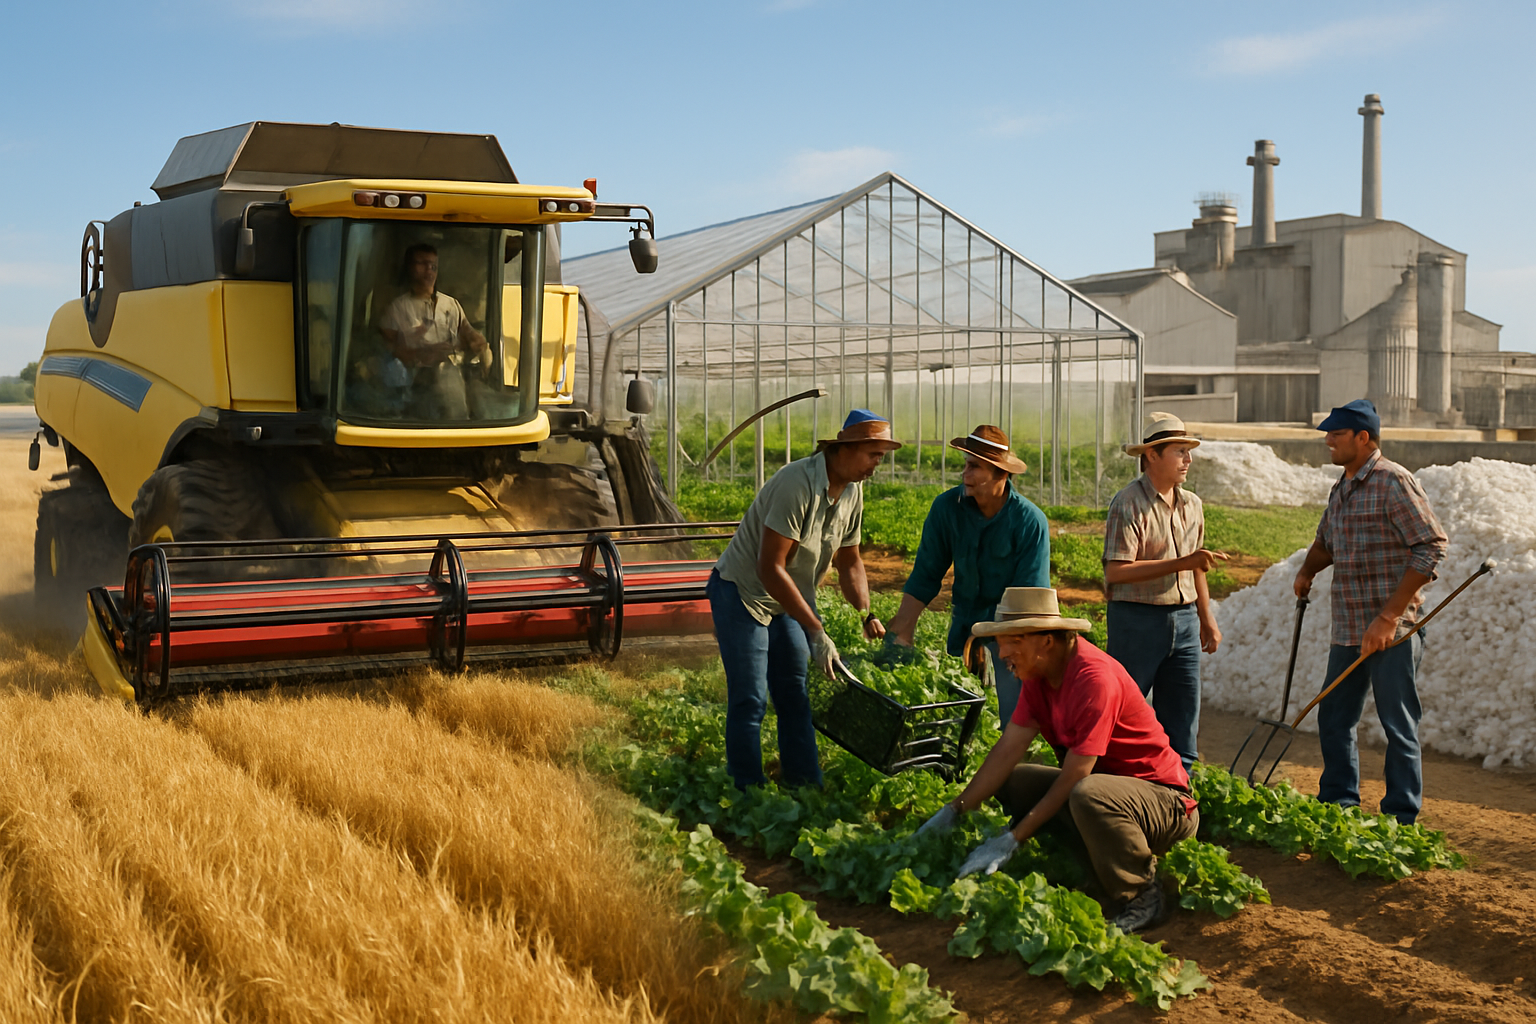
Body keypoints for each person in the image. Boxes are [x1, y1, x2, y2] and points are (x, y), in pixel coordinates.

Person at [913, 587, 1198, 933]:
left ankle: (1141, 893)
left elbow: (1076, 775)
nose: (1002, 653)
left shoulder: (1094, 679)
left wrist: (1014, 838)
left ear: (1046, 641)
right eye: (1000, 642)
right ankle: (1091, 856)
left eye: (1012, 641)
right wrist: (954, 809)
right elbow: (1007, 750)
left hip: (1164, 803)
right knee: (1013, 779)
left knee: (1086, 792)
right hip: (1104, 795)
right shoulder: (1039, 675)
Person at [707, 409, 902, 790]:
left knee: (794, 692)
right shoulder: (797, 484)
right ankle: (747, 791)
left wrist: (865, 612)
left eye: (881, 457)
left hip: (788, 598)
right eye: (873, 455)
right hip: (743, 593)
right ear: (845, 448)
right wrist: (815, 628)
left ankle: (805, 786)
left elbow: (850, 561)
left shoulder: (852, 492)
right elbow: (769, 567)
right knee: (751, 698)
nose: (877, 465)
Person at [1292, 398, 1447, 824]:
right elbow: (1326, 542)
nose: (1328, 441)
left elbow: (1430, 545)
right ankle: (1339, 805)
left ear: (1363, 438)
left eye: (1336, 434)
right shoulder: (1341, 487)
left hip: (1391, 631)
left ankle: (1401, 817)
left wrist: (1389, 616)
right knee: (1334, 718)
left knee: (1398, 726)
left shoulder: (1393, 481)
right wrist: (1307, 570)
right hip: (1347, 627)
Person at [885, 425, 1050, 724]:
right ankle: (960, 764)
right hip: (965, 623)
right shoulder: (946, 508)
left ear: (1001, 474)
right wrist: (903, 628)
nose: (965, 474)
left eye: (974, 467)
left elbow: (1031, 599)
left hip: (1012, 631)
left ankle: (1014, 764)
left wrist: (1002, 644)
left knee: (1014, 715)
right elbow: (926, 572)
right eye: (965, 465)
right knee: (958, 711)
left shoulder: (1029, 522)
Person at [1102, 412, 1227, 771]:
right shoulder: (1128, 503)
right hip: (1137, 620)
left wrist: (1207, 618)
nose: (1188, 459)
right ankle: (1110, 783)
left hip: (1185, 620)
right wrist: (1182, 563)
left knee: (1183, 717)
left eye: (1189, 451)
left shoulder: (1193, 505)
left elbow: (1196, 567)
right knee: (1123, 711)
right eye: (1179, 451)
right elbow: (1116, 571)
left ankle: (1178, 791)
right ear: (1152, 455)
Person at [378, 243, 491, 419]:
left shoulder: (450, 304)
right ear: (409, 267)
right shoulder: (397, 308)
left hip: (452, 378)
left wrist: (476, 340)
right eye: (422, 264)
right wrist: (423, 354)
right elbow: (386, 351)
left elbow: (467, 331)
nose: (429, 270)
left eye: (433, 266)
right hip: (414, 384)